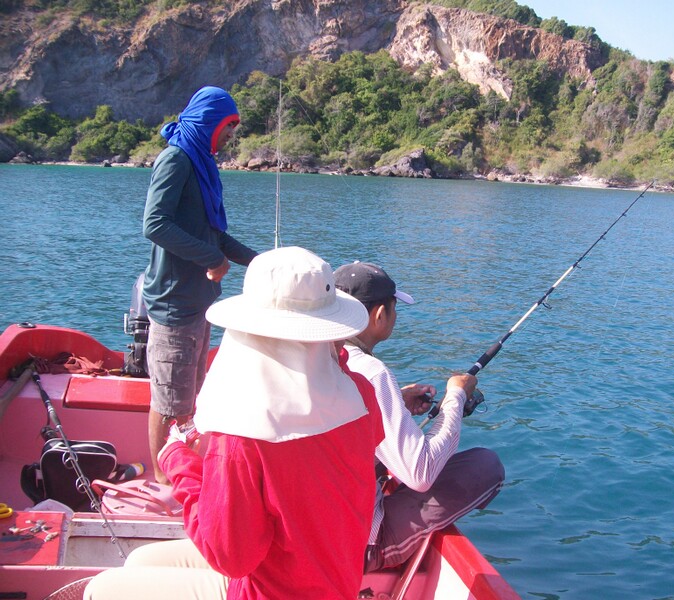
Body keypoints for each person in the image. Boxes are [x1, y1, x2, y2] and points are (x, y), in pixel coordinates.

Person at [84, 246, 384, 600]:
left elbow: (231, 557)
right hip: (336, 583)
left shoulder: (243, 435)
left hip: (269, 591)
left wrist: (179, 462)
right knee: (138, 561)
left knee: (102, 589)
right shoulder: (361, 394)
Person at [332, 261, 505, 571]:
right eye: (394, 309)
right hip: (353, 547)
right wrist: (456, 395)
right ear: (380, 315)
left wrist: (396, 400)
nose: (396, 318)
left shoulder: (319, 357)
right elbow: (420, 474)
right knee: (485, 465)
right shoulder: (371, 372)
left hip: (308, 534)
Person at [142, 85, 258, 484]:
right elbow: (154, 224)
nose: (231, 135)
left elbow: (215, 235)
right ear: (210, 123)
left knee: (188, 397)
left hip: (199, 302)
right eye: (228, 126)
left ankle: (180, 470)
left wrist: (260, 262)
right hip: (175, 303)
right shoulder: (176, 160)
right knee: (169, 399)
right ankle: (161, 480)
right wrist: (213, 260)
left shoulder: (203, 164)